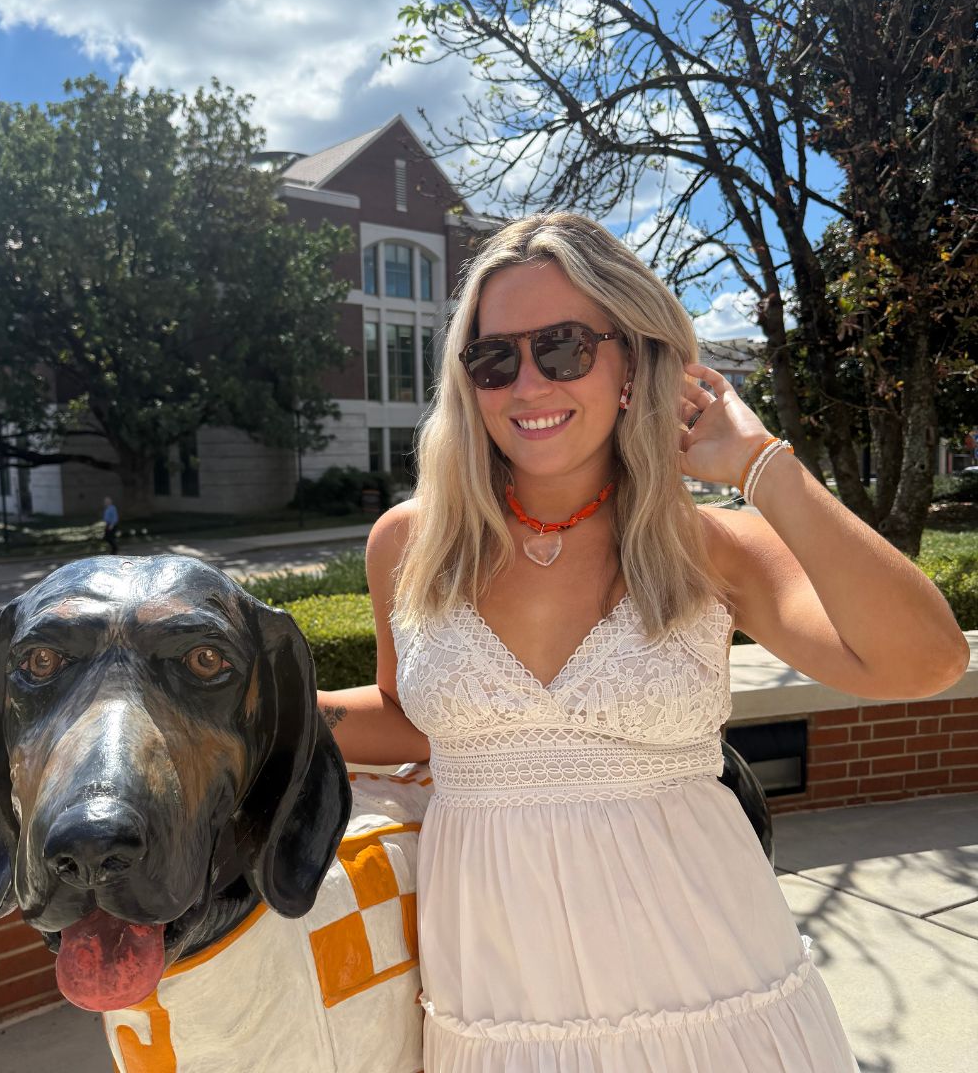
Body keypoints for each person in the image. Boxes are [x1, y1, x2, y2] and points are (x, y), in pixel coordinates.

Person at [317, 212, 969, 1072]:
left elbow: (926, 663)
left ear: (633, 358)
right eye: (494, 358)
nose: (527, 385)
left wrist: (762, 465)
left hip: (711, 989)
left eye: (563, 349)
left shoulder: (711, 546)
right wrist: (275, 714)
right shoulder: (413, 545)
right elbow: (414, 718)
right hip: (503, 1000)